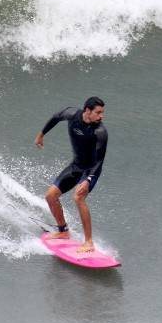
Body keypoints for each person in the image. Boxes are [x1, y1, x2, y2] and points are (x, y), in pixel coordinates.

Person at [34, 96, 108, 253]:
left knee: (78, 197)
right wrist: (42, 134)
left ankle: (89, 242)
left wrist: (88, 180)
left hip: (91, 171)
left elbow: (99, 161)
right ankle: (63, 230)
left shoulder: (100, 132)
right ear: (87, 110)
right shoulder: (72, 114)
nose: (102, 116)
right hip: (76, 166)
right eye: (98, 112)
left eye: (102, 112)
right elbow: (56, 117)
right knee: (50, 196)